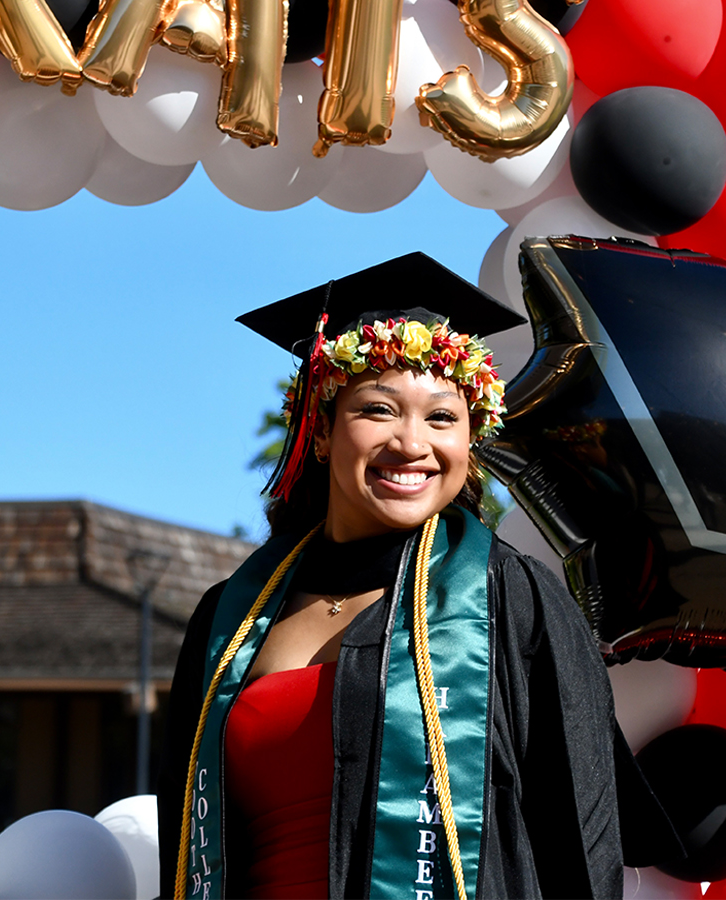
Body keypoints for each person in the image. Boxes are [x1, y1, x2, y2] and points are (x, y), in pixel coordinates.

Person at [157, 253, 652, 900]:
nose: (413, 443)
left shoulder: (511, 600)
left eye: (443, 417)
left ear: (470, 442)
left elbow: (581, 843)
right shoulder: (232, 618)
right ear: (323, 430)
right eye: (379, 410)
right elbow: (186, 840)